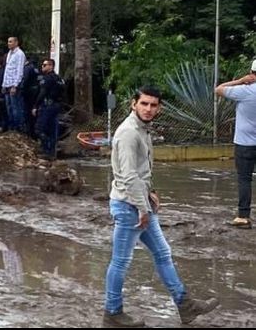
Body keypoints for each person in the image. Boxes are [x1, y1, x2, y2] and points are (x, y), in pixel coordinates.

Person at [103, 86, 219, 327]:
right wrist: (143, 209)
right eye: (144, 104)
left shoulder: (142, 129)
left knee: (163, 254)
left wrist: (150, 193)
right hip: (129, 207)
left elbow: (141, 171)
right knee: (120, 262)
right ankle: (112, 313)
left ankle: (185, 305)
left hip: (139, 202)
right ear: (133, 104)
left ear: (159, 108)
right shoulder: (128, 133)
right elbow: (128, 176)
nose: (148, 109)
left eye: (153, 105)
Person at [215, 60, 256, 229]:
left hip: (245, 144)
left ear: (251, 73)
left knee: (244, 179)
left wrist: (240, 81)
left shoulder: (244, 91)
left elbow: (218, 89)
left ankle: (243, 216)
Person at [32, 58, 63, 159]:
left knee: (40, 128)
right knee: (53, 130)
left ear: (51, 66)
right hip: (57, 106)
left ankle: (46, 150)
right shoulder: (59, 79)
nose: (42, 67)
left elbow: (42, 93)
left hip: (48, 105)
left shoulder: (47, 79)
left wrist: (35, 106)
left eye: (44, 65)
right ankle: (52, 153)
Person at [2, 36, 26, 132]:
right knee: (9, 107)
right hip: (7, 84)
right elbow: (7, 70)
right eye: (8, 42)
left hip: (14, 85)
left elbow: (19, 70)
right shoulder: (9, 54)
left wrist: (15, 85)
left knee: (16, 107)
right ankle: (11, 127)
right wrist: (4, 85)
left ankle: (18, 128)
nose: (9, 43)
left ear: (16, 42)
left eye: (11, 42)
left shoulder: (20, 54)